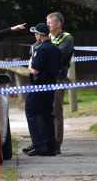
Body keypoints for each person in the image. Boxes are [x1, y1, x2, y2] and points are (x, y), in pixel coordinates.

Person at [24, 23, 61, 156]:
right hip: (51, 86)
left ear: (40, 34)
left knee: (30, 111)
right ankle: (51, 147)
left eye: (35, 34)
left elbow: (34, 71)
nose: (35, 36)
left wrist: (29, 63)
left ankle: (38, 145)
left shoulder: (41, 49)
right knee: (47, 115)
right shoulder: (56, 48)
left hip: (38, 86)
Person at [46, 12, 74, 154]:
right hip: (45, 79)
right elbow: (33, 51)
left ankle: (56, 144)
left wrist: (42, 52)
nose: (47, 25)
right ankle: (43, 142)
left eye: (49, 22)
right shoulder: (47, 37)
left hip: (58, 79)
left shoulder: (66, 38)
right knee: (42, 110)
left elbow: (56, 55)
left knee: (56, 110)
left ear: (58, 24)